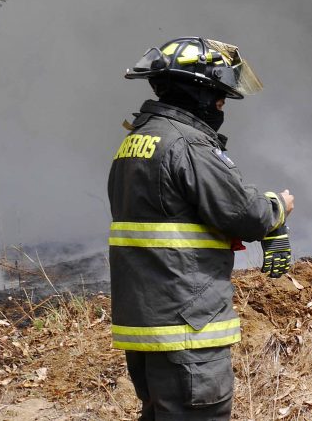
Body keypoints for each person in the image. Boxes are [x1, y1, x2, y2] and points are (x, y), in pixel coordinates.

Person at [108, 37, 294, 420]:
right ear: (196, 92)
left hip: (148, 327)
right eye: (219, 96)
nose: (221, 106)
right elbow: (244, 213)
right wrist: (278, 209)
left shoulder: (136, 142)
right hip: (188, 329)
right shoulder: (188, 146)